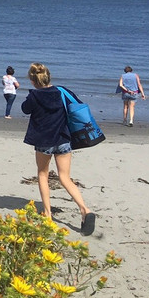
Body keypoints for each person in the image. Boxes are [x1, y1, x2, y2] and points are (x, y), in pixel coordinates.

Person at [21, 63, 95, 235]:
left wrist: (32, 94)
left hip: (43, 140)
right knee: (65, 177)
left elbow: (25, 109)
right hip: (63, 138)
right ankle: (85, 209)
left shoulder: (34, 96)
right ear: (48, 77)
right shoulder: (62, 91)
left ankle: (47, 214)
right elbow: (77, 104)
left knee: (42, 174)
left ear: (32, 80)